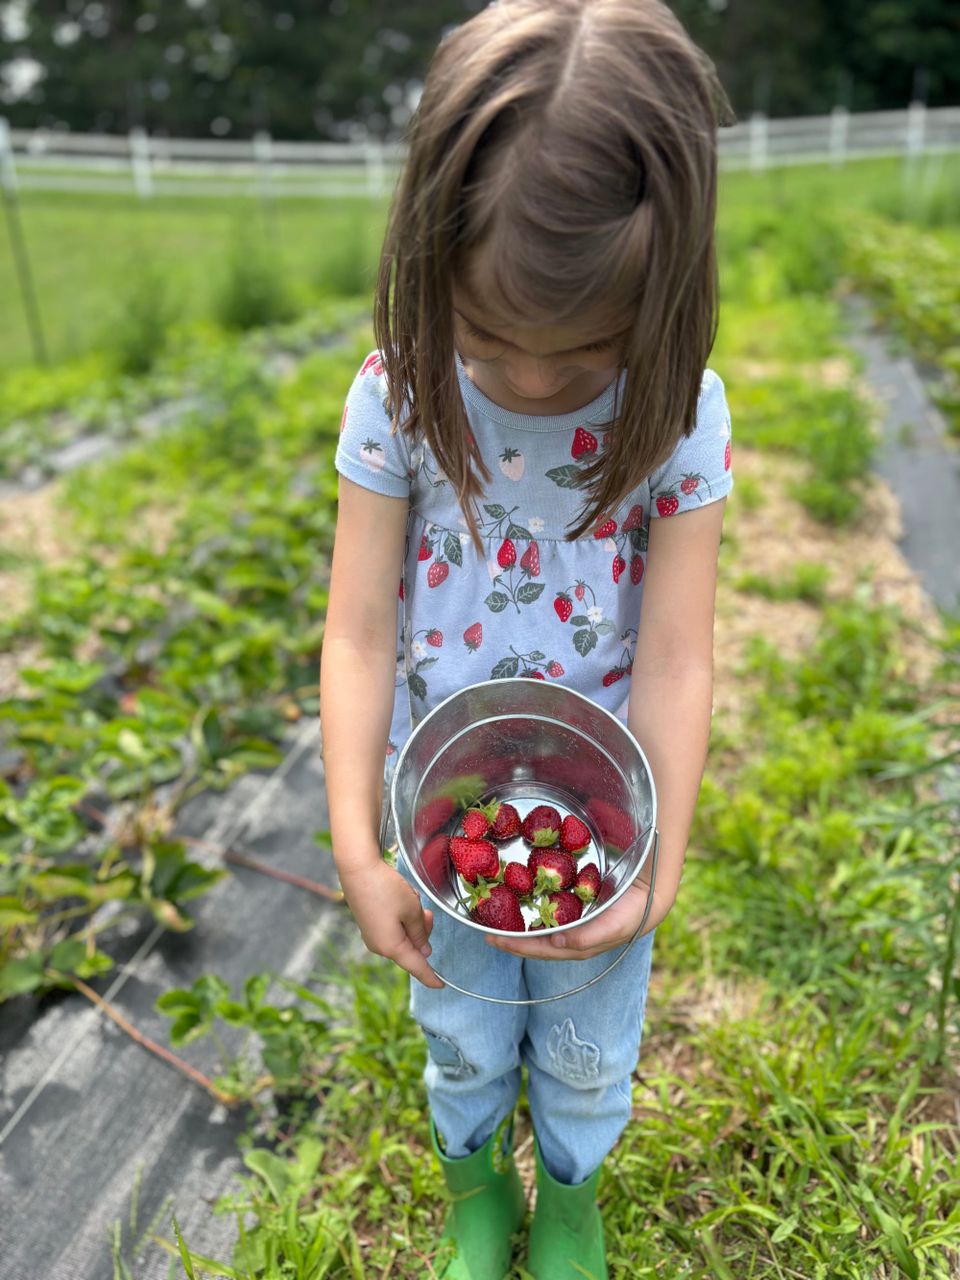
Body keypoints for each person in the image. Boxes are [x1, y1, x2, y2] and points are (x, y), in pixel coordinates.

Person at [319, 2, 734, 1276]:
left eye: (592, 350)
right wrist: (357, 836)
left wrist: (652, 867)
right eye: (492, 339)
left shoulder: (678, 417)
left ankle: (568, 1197)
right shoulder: (400, 394)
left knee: (589, 1035)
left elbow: (674, 656)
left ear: (666, 298)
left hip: (603, 831)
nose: (541, 384)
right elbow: (361, 624)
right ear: (422, 264)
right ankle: (473, 1193)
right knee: (458, 1026)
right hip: (445, 811)